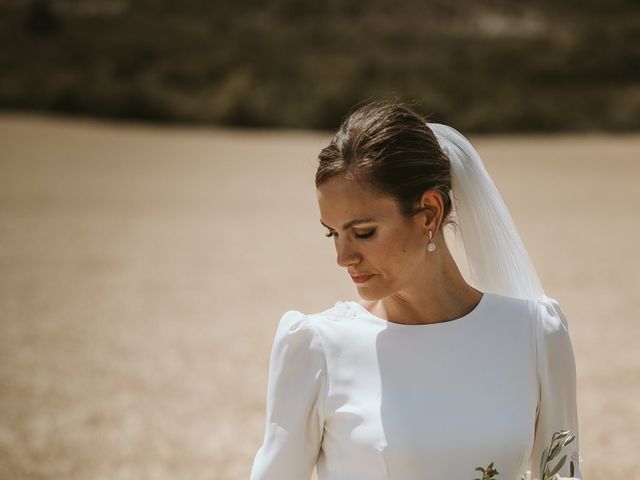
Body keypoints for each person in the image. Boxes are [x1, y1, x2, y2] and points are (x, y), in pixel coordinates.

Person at [249, 101, 584, 479]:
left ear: (429, 213)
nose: (343, 257)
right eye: (333, 233)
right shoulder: (316, 346)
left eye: (363, 233)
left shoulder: (536, 334)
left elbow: (560, 475)